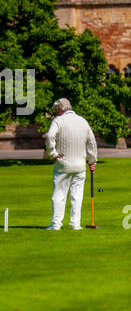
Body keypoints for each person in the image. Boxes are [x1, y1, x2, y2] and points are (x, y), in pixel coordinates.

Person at [45, 98, 97, 230]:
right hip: (80, 165)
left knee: (59, 194)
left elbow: (50, 136)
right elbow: (92, 142)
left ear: (60, 109)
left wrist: (53, 154)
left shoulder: (58, 121)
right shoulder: (83, 121)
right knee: (77, 196)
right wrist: (92, 161)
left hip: (63, 164)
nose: (56, 112)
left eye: (57, 110)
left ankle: (56, 224)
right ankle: (75, 224)